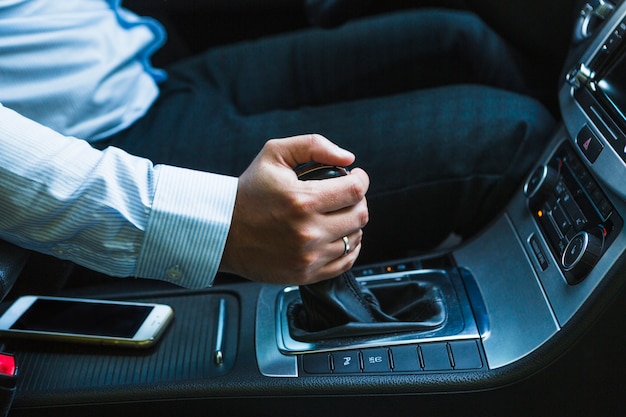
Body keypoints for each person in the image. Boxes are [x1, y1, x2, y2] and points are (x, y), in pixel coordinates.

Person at [0, 0, 555, 290]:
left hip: (150, 74)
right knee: (509, 134)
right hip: (105, 144)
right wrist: (217, 225)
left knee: (460, 39)